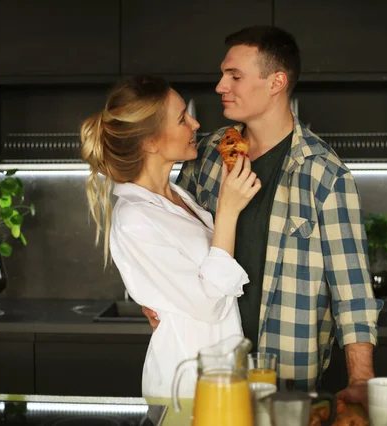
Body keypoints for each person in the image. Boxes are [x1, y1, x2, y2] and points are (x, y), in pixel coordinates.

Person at [142, 26, 383, 408]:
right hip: (207, 371)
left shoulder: (325, 175)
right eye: (223, 74)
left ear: (276, 82)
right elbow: (164, 232)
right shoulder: (206, 155)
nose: (220, 86)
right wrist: (153, 294)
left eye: (234, 76)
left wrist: (361, 379)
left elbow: (352, 293)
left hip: (284, 382)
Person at [80, 75, 261, 397]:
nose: (195, 123)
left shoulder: (180, 197)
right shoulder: (134, 217)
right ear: (150, 141)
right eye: (181, 118)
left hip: (221, 376)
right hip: (186, 385)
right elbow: (209, 305)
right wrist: (229, 211)